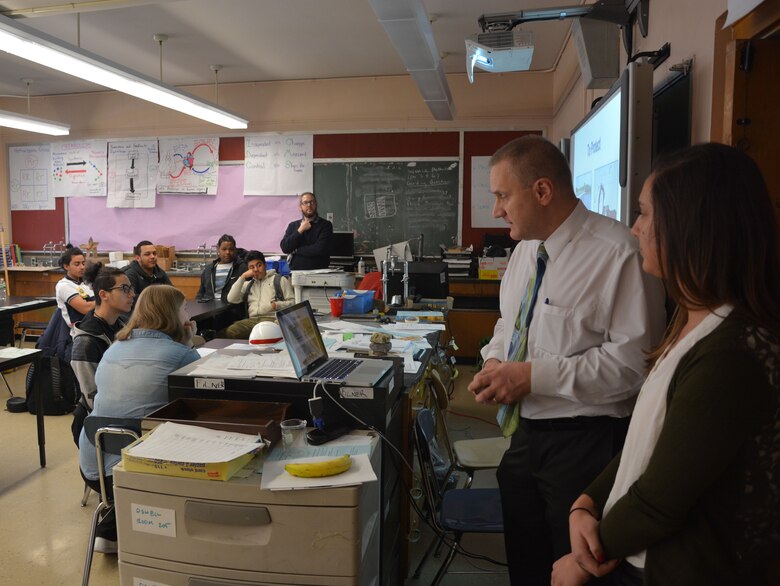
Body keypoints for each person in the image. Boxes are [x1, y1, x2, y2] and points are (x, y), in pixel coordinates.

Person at [552, 143, 780, 586]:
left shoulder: (731, 355)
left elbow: (659, 502)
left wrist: (583, 560)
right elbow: (649, 444)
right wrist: (586, 501)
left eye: (644, 214)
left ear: (691, 227)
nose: (635, 229)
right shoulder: (692, 318)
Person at [467, 135, 666, 586]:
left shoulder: (618, 253)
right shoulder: (523, 251)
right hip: (524, 438)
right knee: (527, 565)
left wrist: (532, 377)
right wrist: (495, 363)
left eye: (502, 196)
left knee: (574, 571)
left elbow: (635, 366)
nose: (497, 210)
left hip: (586, 447)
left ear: (541, 191)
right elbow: (509, 324)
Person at [78, 285, 199, 554]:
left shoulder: (115, 347)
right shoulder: (180, 354)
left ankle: (112, 523)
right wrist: (189, 343)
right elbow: (200, 400)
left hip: (94, 464)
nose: (187, 314)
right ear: (172, 313)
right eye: (184, 309)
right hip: (140, 465)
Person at [70, 264, 135, 445]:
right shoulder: (86, 342)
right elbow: (92, 397)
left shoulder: (122, 326)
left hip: (123, 411)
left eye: (131, 289)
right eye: (124, 289)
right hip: (98, 428)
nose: (131, 294)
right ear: (103, 295)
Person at [222, 250, 295, 339]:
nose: (256, 269)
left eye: (259, 265)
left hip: (272, 320)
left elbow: (293, 303)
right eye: (252, 267)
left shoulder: (279, 280)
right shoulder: (248, 284)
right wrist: (242, 277)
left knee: (259, 334)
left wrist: (277, 305)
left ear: (265, 265)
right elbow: (231, 299)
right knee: (225, 332)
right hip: (252, 321)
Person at [280, 192, 334, 270]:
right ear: (300, 207)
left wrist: (296, 250)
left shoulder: (326, 225)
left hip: (319, 273)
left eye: (312, 202)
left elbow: (319, 249)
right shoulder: (293, 225)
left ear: (316, 204)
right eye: (305, 202)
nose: (309, 205)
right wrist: (300, 230)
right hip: (297, 273)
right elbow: (285, 247)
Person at [195, 234, 247, 303]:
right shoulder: (209, 269)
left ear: (235, 250)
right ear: (218, 249)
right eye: (224, 249)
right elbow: (200, 293)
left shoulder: (241, 267)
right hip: (209, 309)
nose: (227, 252)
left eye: (231, 249)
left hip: (231, 308)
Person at [55, 245, 95, 329]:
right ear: (66, 266)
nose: (82, 267)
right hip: (78, 333)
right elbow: (86, 308)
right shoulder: (64, 286)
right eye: (77, 264)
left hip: (93, 325)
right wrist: (107, 301)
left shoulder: (86, 282)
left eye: (83, 263)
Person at [122, 240, 172, 306]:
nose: (152, 257)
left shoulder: (159, 272)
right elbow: (130, 300)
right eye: (147, 254)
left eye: (154, 253)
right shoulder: (129, 274)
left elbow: (172, 294)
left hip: (155, 311)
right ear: (138, 258)